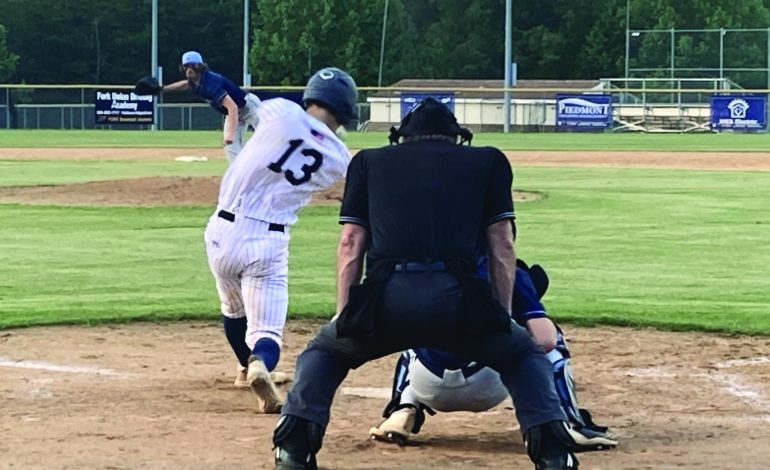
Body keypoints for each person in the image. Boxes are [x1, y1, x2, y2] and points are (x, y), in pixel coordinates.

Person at [272, 98, 579, 470]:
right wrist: (498, 315)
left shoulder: (368, 161)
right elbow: (502, 242)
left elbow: (351, 242)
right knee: (523, 356)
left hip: (387, 297)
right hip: (460, 299)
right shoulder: (489, 160)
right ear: (456, 138)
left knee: (323, 353)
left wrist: (346, 313)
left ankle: (293, 448)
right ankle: (552, 453)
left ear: (403, 137)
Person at [203, 67, 357, 413]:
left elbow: (241, 103)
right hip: (267, 240)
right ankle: (260, 362)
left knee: (233, 310)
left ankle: (245, 368)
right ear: (345, 110)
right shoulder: (338, 158)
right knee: (266, 329)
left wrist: (209, 80)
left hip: (220, 230)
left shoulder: (281, 111)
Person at [369, 260, 618, 452]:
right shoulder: (509, 269)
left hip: (427, 386)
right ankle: (569, 424)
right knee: (552, 339)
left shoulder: (422, 270)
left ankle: (401, 412)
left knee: (415, 335)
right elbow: (546, 342)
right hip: (486, 387)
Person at [162, 50, 262, 163]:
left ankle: (277, 170)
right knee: (230, 147)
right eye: (186, 66)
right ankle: (241, 175)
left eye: (193, 66)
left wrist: (230, 134)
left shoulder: (211, 82)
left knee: (269, 135)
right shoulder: (195, 81)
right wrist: (162, 89)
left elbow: (232, 107)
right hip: (233, 113)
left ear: (200, 67)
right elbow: (185, 85)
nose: (189, 69)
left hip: (248, 107)